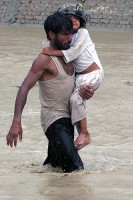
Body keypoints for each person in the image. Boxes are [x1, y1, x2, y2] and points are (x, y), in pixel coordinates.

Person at [6, 12, 94, 173]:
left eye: (71, 34)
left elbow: (75, 88)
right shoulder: (44, 59)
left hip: (68, 120)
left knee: (54, 169)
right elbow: (24, 87)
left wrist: (87, 93)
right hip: (53, 120)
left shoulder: (70, 56)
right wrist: (16, 121)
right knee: (76, 169)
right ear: (51, 35)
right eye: (65, 35)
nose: (69, 39)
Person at [42, 3, 104, 150]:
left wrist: (52, 52)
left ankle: (84, 133)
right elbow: (48, 44)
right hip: (79, 77)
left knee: (76, 99)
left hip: (92, 74)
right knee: (73, 103)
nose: (75, 20)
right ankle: (78, 134)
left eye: (77, 18)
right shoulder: (67, 36)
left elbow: (73, 53)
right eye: (70, 18)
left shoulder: (83, 33)